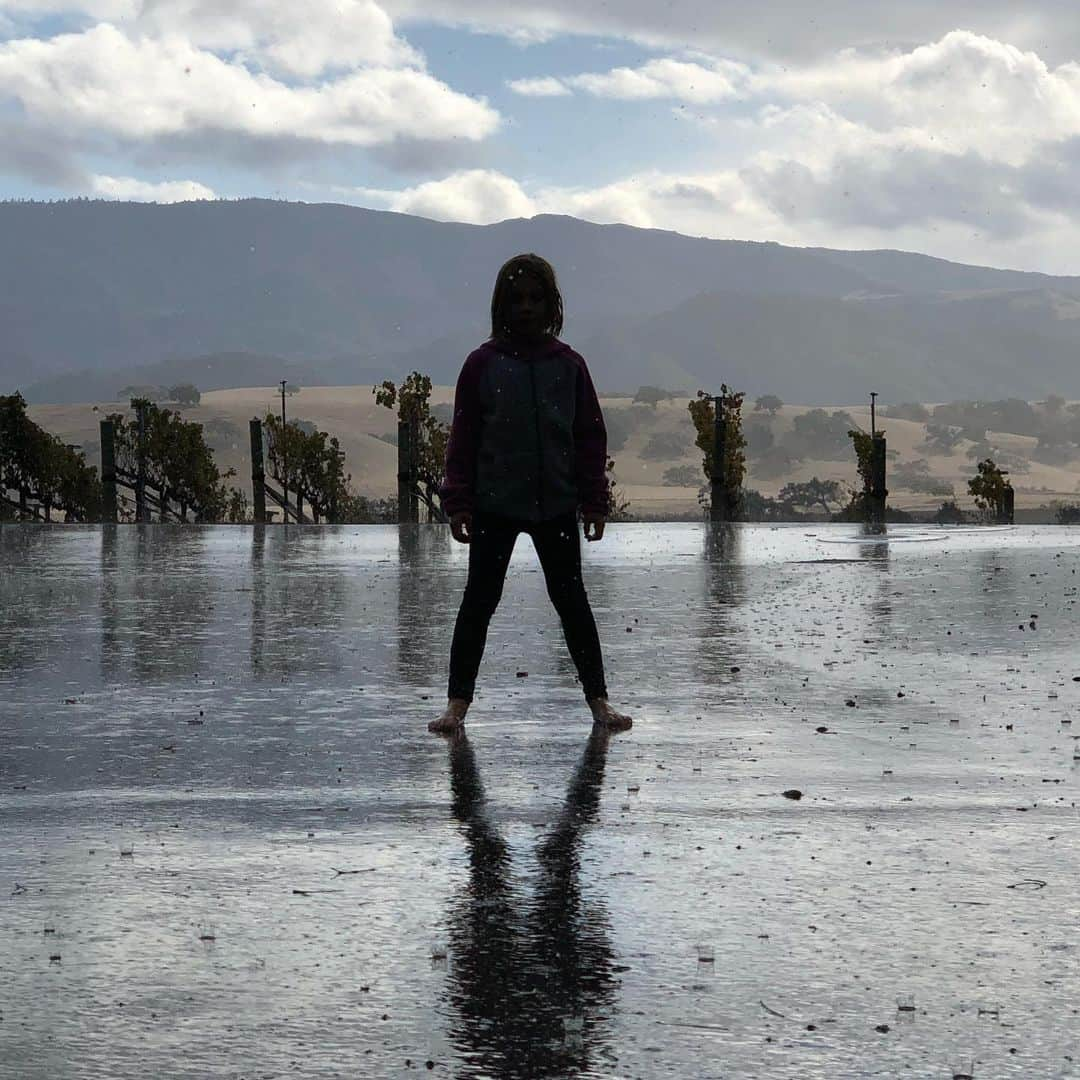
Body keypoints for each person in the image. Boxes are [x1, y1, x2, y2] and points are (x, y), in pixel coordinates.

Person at [429, 252, 632, 735]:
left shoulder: (569, 366)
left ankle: (599, 701)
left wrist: (594, 499)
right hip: (494, 506)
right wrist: (457, 501)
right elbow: (463, 438)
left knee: (572, 603)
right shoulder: (482, 365)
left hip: (556, 505)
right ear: (502, 304)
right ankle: (457, 705)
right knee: (479, 601)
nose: (526, 308)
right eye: (516, 299)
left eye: (535, 299)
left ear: (551, 305)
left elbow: (589, 437)